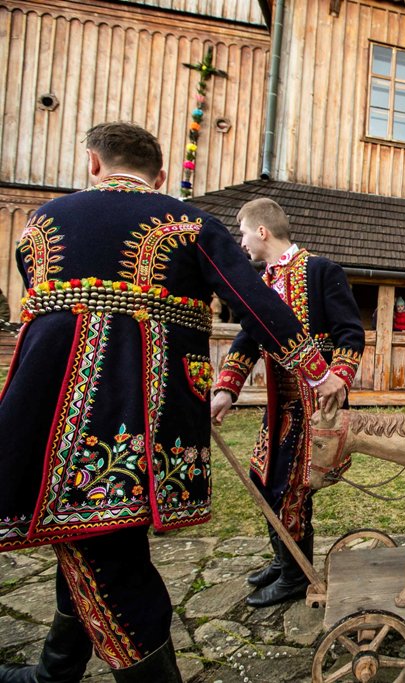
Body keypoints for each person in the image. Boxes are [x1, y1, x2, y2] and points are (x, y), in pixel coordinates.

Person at [0, 122, 345, 682]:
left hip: (41, 418)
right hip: (140, 421)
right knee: (103, 549)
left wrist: (315, 372)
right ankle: (55, 673)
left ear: (93, 163)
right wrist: (312, 370)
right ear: (161, 176)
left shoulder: (41, 222)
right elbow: (253, 309)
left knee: (93, 544)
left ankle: (54, 673)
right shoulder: (188, 225)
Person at [210, 198, 363, 608]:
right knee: (264, 479)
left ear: (262, 231)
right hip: (280, 406)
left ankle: (296, 575)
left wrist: (339, 378)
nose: (241, 243)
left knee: (291, 489)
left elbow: (350, 332)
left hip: (314, 405)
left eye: (243, 233)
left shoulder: (321, 270)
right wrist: (226, 388)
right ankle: (284, 559)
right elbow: (248, 339)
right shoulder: (261, 284)